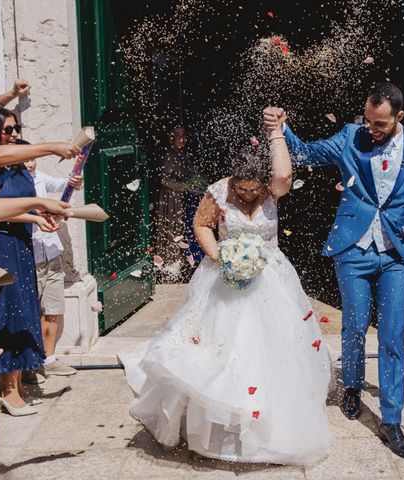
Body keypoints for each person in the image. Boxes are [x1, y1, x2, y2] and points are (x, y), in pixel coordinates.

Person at [120, 130, 332, 465]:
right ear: (233, 180)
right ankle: (219, 423)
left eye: (254, 189)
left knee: (275, 348)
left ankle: (270, 418)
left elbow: (285, 174)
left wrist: (277, 132)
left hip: (272, 276)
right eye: (242, 189)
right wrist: (220, 256)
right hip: (224, 275)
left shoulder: (274, 189)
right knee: (219, 348)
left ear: (264, 182)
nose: (248, 195)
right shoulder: (218, 191)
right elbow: (201, 225)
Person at [263, 81, 404, 459]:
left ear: (400, 117)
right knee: (356, 325)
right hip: (353, 250)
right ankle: (352, 386)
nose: (371, 129)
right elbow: (306, 153)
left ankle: (392, 420)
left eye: (379, 124)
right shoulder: (350, 136)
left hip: (396, 256)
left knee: (393, 336)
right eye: (367, 120)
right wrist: (282, 129)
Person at [0, 106, 64, 416]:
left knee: (25, 309)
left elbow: (21, 202)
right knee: (9, 313)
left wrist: (38, 216)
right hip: (0, 245)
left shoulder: (18, 166)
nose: (15, 135)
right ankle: (8, 390)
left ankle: (20, 384)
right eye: (7, 130)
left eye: (16, 129)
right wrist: (34, 212)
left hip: (21, 243)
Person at [21, 141, 82, 383]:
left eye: (32, 158)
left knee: (53, 308)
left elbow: (61, 185)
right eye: (26, 159)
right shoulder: (14, 187)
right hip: (31, 256)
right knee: (32, 311)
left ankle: (49, 358)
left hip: (51, 252)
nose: (31, 163)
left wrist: (73, 181)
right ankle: (30, 363)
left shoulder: (39, 177)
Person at [154, 126, 205, 280]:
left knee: (183, 227)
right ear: (171, 138)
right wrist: (185, 187)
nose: (182, 139)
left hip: (182, 198)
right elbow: (164, 179)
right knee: (173, 227)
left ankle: (183, 261)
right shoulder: (169, 156)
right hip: (171, 200)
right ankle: (171, 263)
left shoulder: (182, 155)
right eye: (178, 136)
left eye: (184, 136)